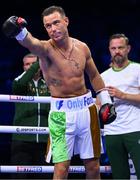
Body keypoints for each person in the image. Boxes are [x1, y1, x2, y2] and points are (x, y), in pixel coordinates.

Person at [2, 6, 116, 179]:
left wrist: (105, 100)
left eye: (56, 22)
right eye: (48, 26)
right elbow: (31, 43)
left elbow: (93, 75)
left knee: (93, 166)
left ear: (66, 21)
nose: (53, 29)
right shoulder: (46, 50)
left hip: (87, 111)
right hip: (61, 116)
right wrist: (20, 32)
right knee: (61, 167)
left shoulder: (82, 47)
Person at [99, 33, 140, 179]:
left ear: (128, 49)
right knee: (119, 176)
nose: (117, 51)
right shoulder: (103, 76)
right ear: (109, 50)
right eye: (113, 48)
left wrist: (123, 95)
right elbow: (100, 105)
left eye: (120, 47)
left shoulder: (137, 69)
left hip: (135, 128)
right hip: (112, 132)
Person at [10, 53, 50, 179]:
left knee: (45, 177)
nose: (31, 67)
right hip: (22, 139)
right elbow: (18, 85)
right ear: (23, 67)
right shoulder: (19, 81)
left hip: (44, 140)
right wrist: (38, 63)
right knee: (19, 177)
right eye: (28, 64)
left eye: (34, 64)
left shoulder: (49, 83)